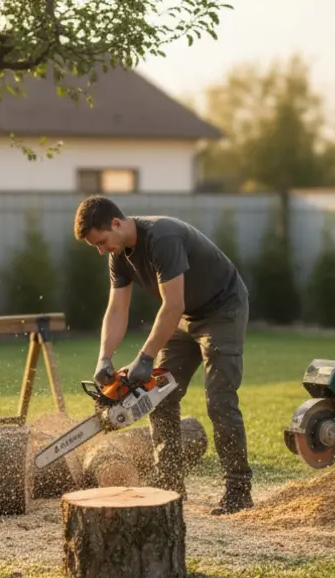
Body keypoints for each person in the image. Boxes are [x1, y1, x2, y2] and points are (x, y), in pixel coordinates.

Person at [73, 195, 254, 515]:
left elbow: (173, 305)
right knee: (159, 395)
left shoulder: (162, 238)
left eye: (101, 242)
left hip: (222, 308)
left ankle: (238, 487)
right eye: (95, 247)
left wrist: (145, 357)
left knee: (219, 397)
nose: (101, 250)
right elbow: (116, 309)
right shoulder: (118, 255)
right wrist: (104, 358)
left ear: (116, 223)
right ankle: (171, 481)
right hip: (186, 317)